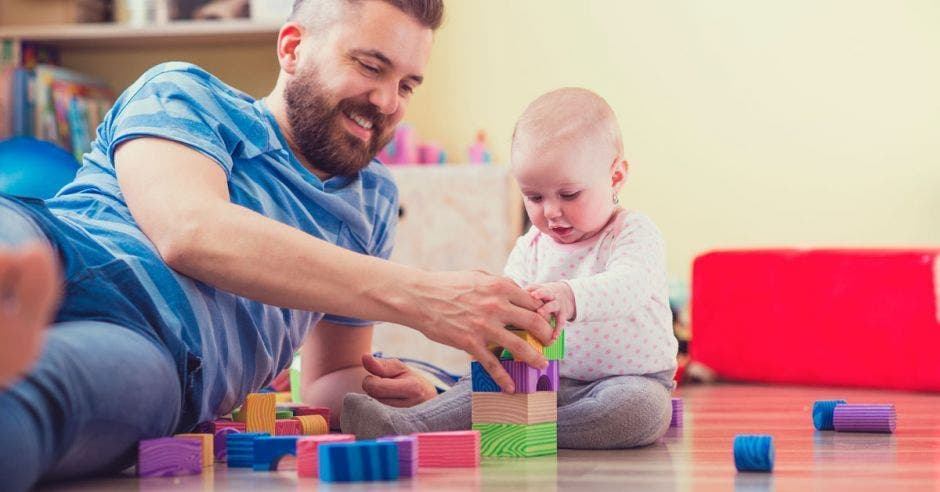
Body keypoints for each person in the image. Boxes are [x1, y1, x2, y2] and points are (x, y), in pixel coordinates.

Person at [0, 0, 554, 489]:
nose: (387, 101)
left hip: (162, 355)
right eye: (370, 66)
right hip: (62, 243)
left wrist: (412, 391)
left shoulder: (372, 201)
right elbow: (189, 231)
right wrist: (423, 296)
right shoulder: (185, 92)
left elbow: (326, 378)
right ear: (292, 48)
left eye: (407, 85)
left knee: (41, 401)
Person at [342, 87, 679, 449]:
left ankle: (518, 428)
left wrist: (569, 295)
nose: (550, 212)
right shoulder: (531, 244)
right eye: (534, 197)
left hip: (627, 380)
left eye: (569, 194)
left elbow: (630, 285)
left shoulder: (632, 232)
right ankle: (409, 424)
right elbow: (507, 301)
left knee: (638, 412)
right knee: (485, 381)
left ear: (615, 177)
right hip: (541, 377)